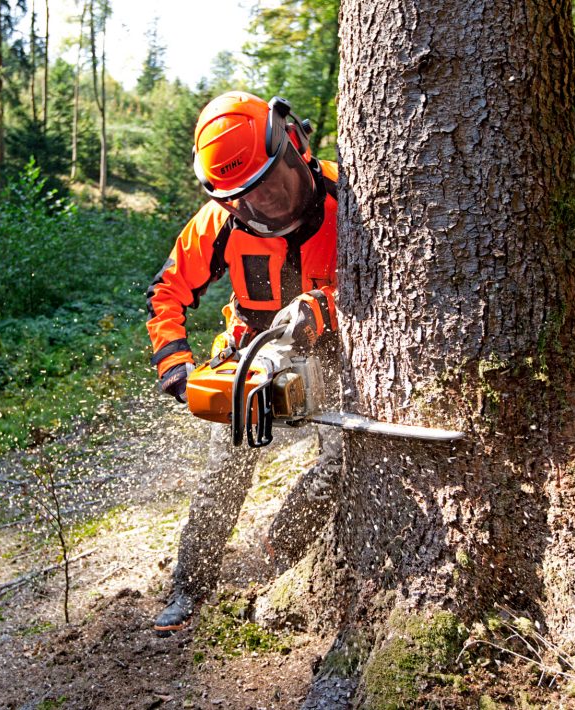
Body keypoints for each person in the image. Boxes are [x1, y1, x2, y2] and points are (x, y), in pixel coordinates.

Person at [145, 91, 341, 636]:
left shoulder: (348, 199)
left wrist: (326, 306)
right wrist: (175, 364)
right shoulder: (220, 223)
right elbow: (167, 292)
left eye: (274, 184)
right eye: (247, 199)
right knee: (222, 474)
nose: (269, 206)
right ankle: (189, 585)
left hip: (341, 354)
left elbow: (395, 282)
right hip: (254, 353)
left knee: (348, 462)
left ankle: (285, 542)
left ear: (294, 145)